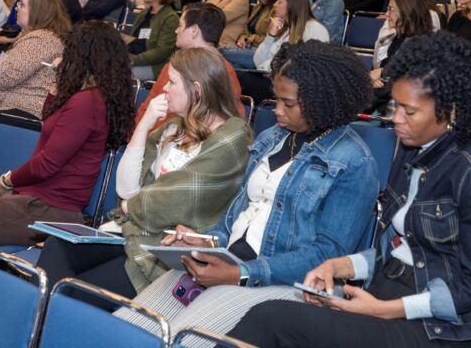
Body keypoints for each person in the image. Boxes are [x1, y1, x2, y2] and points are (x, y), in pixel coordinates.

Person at [227, 30, 471, 348]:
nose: (396, 119)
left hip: (437, 327)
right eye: (395, 106)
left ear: (449, 111)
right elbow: (397, 251)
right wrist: (339, 266)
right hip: (388, 294)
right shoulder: (409, 150)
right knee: (275, 320)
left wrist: (384, 309)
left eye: (410, 111)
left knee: (269, 319)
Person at [113, 39, 379, 339]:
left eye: (287, 104)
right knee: (126, 329)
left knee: (181, 340)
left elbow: (327, 255)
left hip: (280, 283)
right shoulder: (273, 137)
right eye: (276, 99)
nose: (276, 110)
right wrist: (204, 241)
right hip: (229, 263)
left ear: (321, 102)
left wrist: (241, 273)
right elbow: (236, 218)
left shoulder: (354, 162)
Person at [36, 47, 251, 297]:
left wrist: (129, 207)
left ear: (197, 89)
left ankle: (47, 322)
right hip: (134, 232)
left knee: (77, 289)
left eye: (172, 82)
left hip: (164, 248)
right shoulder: (173, 127)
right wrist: (145, 124)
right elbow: (125, 189)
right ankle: (39, 326)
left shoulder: (230, 140)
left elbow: (172, 202)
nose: (164, 89)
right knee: (56, 247)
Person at [0, 21, 136, 250]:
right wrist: (57, 81)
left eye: (69, 51)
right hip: (28, 194)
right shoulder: (84, 97)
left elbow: (47, 164)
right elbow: (50, 120)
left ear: (82, 55)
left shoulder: (87, 102)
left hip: (49, 207)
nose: (64, 56)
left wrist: (8, 180)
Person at [137, 2, 244, 129]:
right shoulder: (174, 65)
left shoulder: (222, 72)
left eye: (180, 26)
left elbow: (229, 125)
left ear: (194, 31)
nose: (176, 31)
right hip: (154, 138)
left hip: (188, 143)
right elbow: (148, 107)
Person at [0, 0, 72, 119]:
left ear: (37, 12)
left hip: (17, 118)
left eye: (21, 5)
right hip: (10, 113)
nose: (16, 8)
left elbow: (4, 79)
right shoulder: (43, 37)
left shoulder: (40, 40)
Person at [370, 0, 434, 114]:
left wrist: (380, 76)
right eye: (388, 9)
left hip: (401, 110)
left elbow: (394, 81)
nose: (387, 14)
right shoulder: (395, 39)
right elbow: (381, 76)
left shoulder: (421, 44)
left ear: (407, 11)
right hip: (382, 102)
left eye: (392, 9)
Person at [253, 0, 329, 72]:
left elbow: (315, 67)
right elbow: (258, 62)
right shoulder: (285, 29)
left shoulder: (315, 29)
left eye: (279, 1)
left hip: (286, 82)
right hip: (270, 76)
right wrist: (270, 35)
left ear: (292, 5)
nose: (274, 4)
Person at [219, 0, 283, 70]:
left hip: (261, 53)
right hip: (248, 48)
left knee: (221, 52)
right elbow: (245, 29)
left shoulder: (276, 12)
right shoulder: (257, 7)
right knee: (233, 66)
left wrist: (249, 39)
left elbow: (272, 39)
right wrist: (242, 38)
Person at [128, 0, 179, 81]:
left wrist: (133, 60)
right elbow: (133, 39)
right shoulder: (144, 13)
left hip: (154, 65)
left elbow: (162, 51)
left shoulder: (170, 18)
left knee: (119, 74)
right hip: (133, 58)